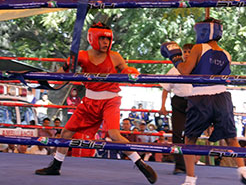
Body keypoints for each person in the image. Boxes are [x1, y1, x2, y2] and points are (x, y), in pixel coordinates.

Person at [35, 22, 157, 184]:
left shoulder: (115, 57)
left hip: (110, 101)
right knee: (66, 133)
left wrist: (131, 73)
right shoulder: (83, 56)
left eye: (108, 39)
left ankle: (140, 163)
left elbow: (126, 71)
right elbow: (60, 77)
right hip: (90, 101)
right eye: (102, 39)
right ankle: (55, 166)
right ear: (93, 38)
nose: (106, 42)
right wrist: (59, 70)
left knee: (114, 134)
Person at [160, 17, 246, 185]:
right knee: (231, 138)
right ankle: (243, 171)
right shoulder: (226, 54)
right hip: (222, 97)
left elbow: (184, 72)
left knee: (190, 139)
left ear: (202, 30)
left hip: (201, 98)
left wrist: (175, 56)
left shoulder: (199, 47)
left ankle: (190, 179)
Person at [159, 43, 193, 175]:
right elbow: (165, 88)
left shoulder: (198, 69)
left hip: (193, 103)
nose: (187, 54)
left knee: (190, 135)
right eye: (185, 51)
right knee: (177, 134)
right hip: (178, 103)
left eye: (190, 51)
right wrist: (162, 105)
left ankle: (189, 164)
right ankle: (179, 165)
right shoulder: (174, 70)